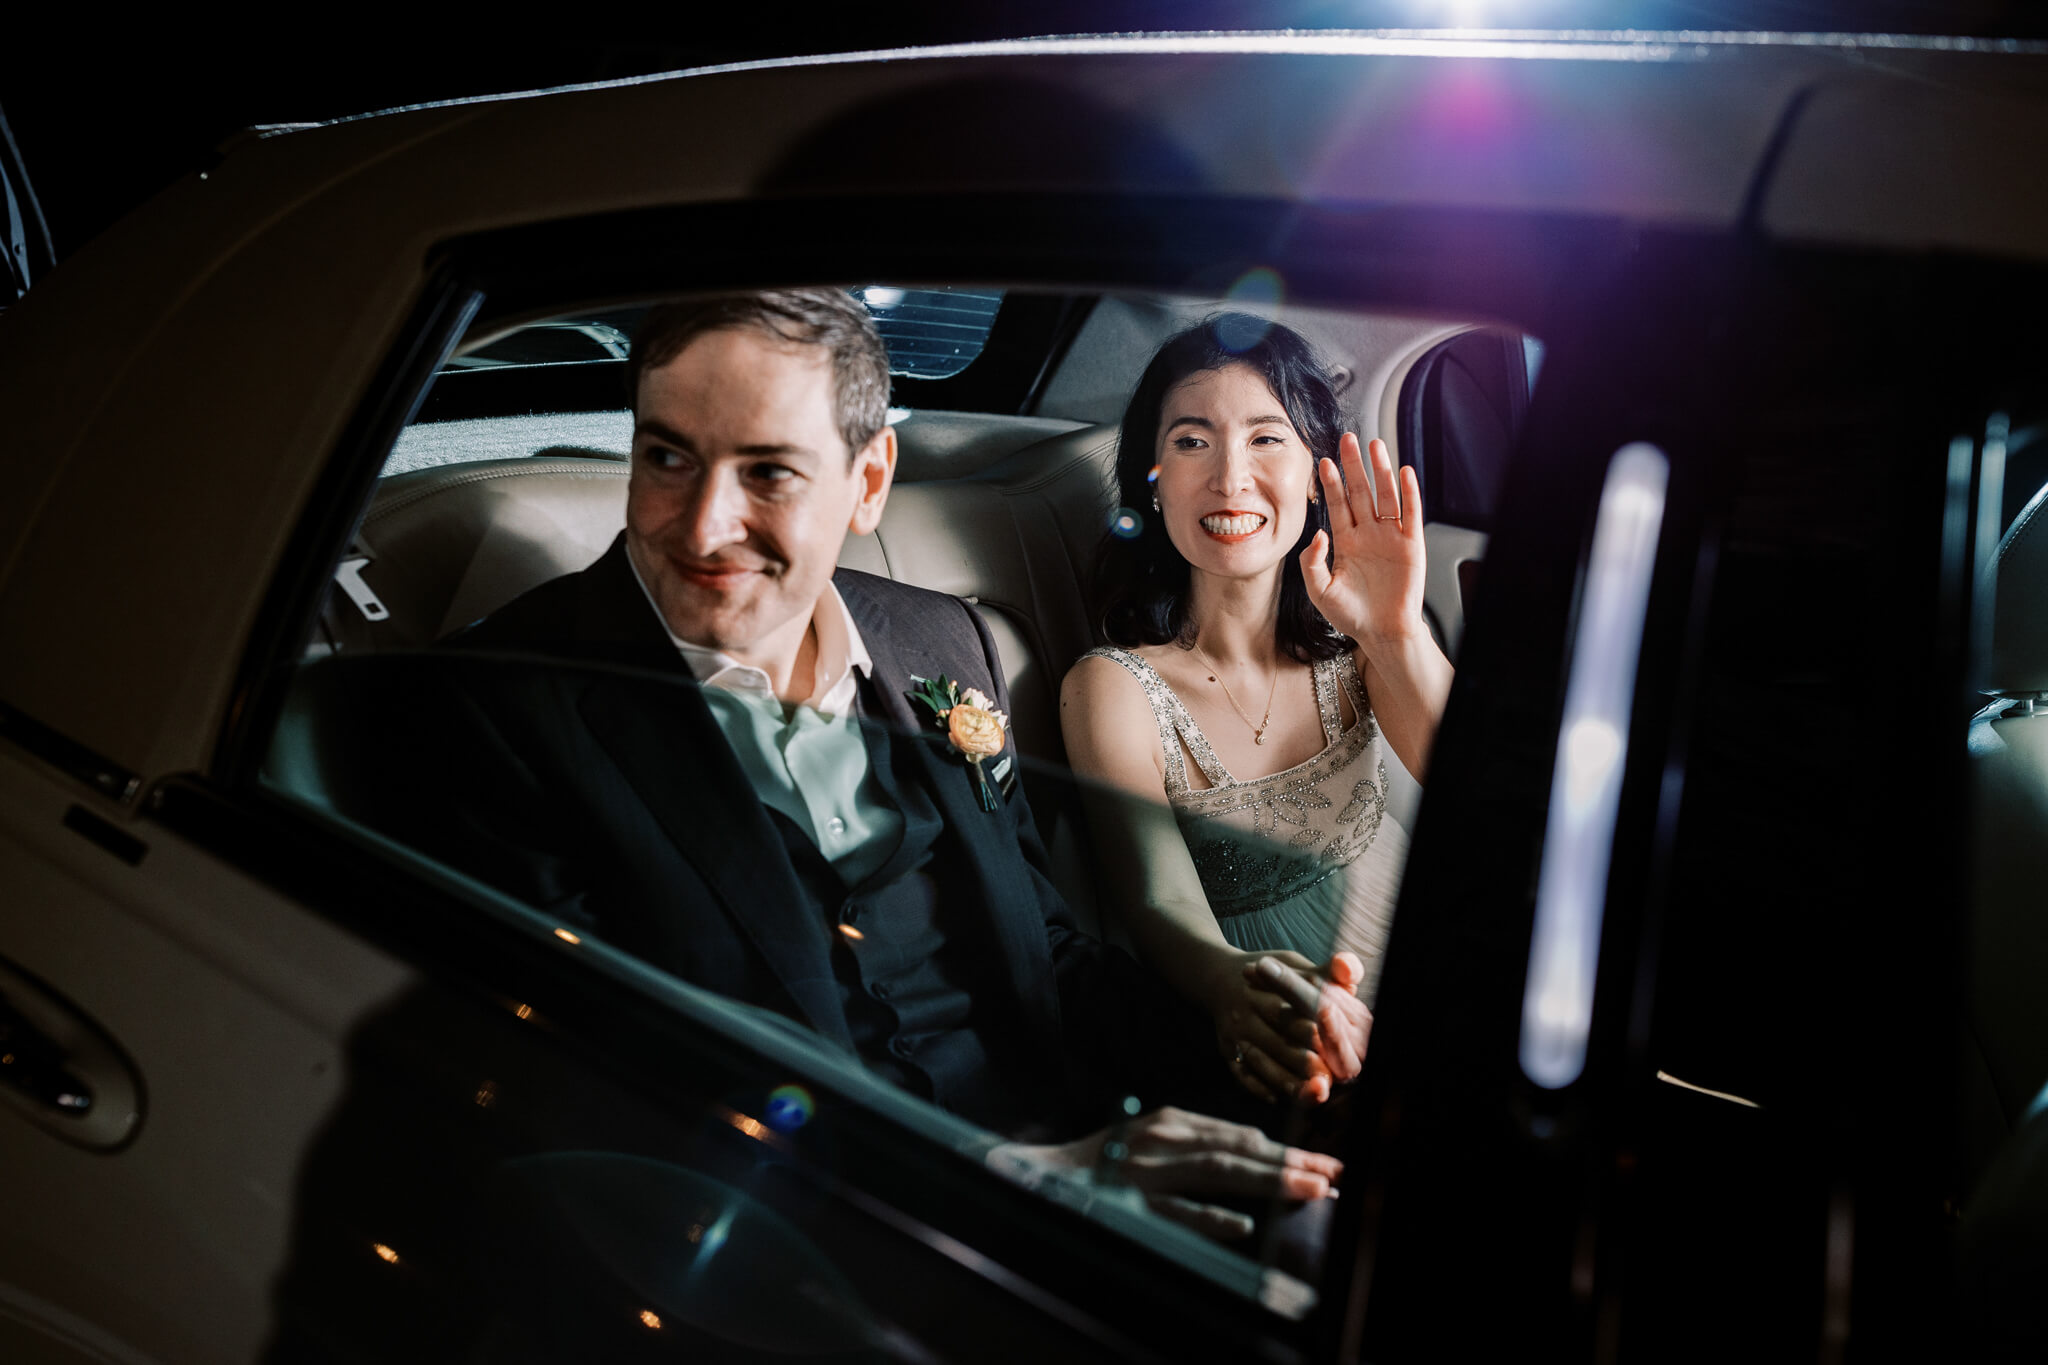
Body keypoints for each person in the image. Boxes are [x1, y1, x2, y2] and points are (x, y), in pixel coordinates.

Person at [357, 288, 1345, 1238]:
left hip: (1071, 1125)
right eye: (667, 457)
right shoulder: (494, 708)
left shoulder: (943, 646)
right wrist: (1018, 1183)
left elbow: (1050, 961)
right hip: (809, 1232)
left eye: (769, 471)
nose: (702, 527)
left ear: (867, 482)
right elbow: (579, 1090)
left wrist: (1237, 1027)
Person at [1060, 315, 1453, 1104]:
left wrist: (1395, 632)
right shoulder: (1115, 686)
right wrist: (1240, 984)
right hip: (1274, 1025)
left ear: (1315, 471)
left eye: (1267, 439)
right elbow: (1155, 897)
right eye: (1192, 442)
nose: (1231, 478)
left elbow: (1482, 796)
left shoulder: (1357, 641)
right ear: (1153, 478)